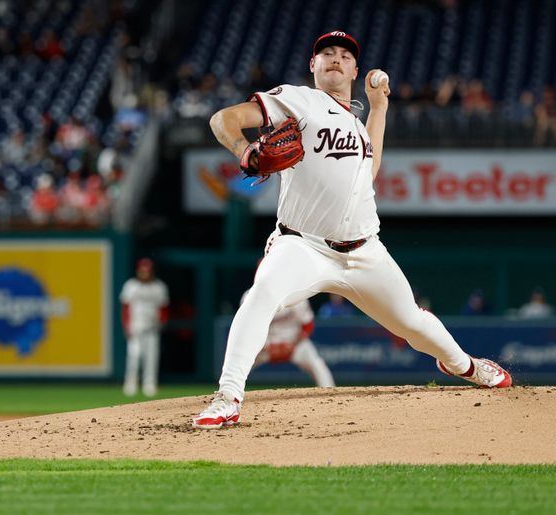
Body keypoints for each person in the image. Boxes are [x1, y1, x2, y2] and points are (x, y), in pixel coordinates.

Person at [192, 31, 512, 430]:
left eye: (345, 55)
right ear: (313, 66)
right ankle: (228, 395)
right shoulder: (298, 99)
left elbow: (370, 171)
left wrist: (378, 108)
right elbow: (222, 119)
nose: (336, 59)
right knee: (261, 296)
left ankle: (465, 366)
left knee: (412, 322)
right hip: (303, 245)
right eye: (326, 53)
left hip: (365, 252)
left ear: (355, 70)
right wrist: (244, 149)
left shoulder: (357, 125)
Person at [242, 290, 335, 387]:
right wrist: (267, 346)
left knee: (318, 365)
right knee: (238, 364)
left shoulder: (296, 295)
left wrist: (293, 345)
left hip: (294, 342)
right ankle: (227, 394)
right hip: (263, 344)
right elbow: (246, 330)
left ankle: (331, 395)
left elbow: (308, 326)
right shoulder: (250, 297)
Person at [120, 258, 169, 397]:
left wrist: (162, 323)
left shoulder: (159, 287)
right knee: (134, 357)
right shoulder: (131, 286)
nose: (145, 273)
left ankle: (150, 384)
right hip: (135, 327)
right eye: (142, 271)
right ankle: (131, 384)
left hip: (152, 328)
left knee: (151, 358)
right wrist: (126, 325)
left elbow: (164, 308)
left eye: (147, 271)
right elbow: (125, 308)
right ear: (138, 271)